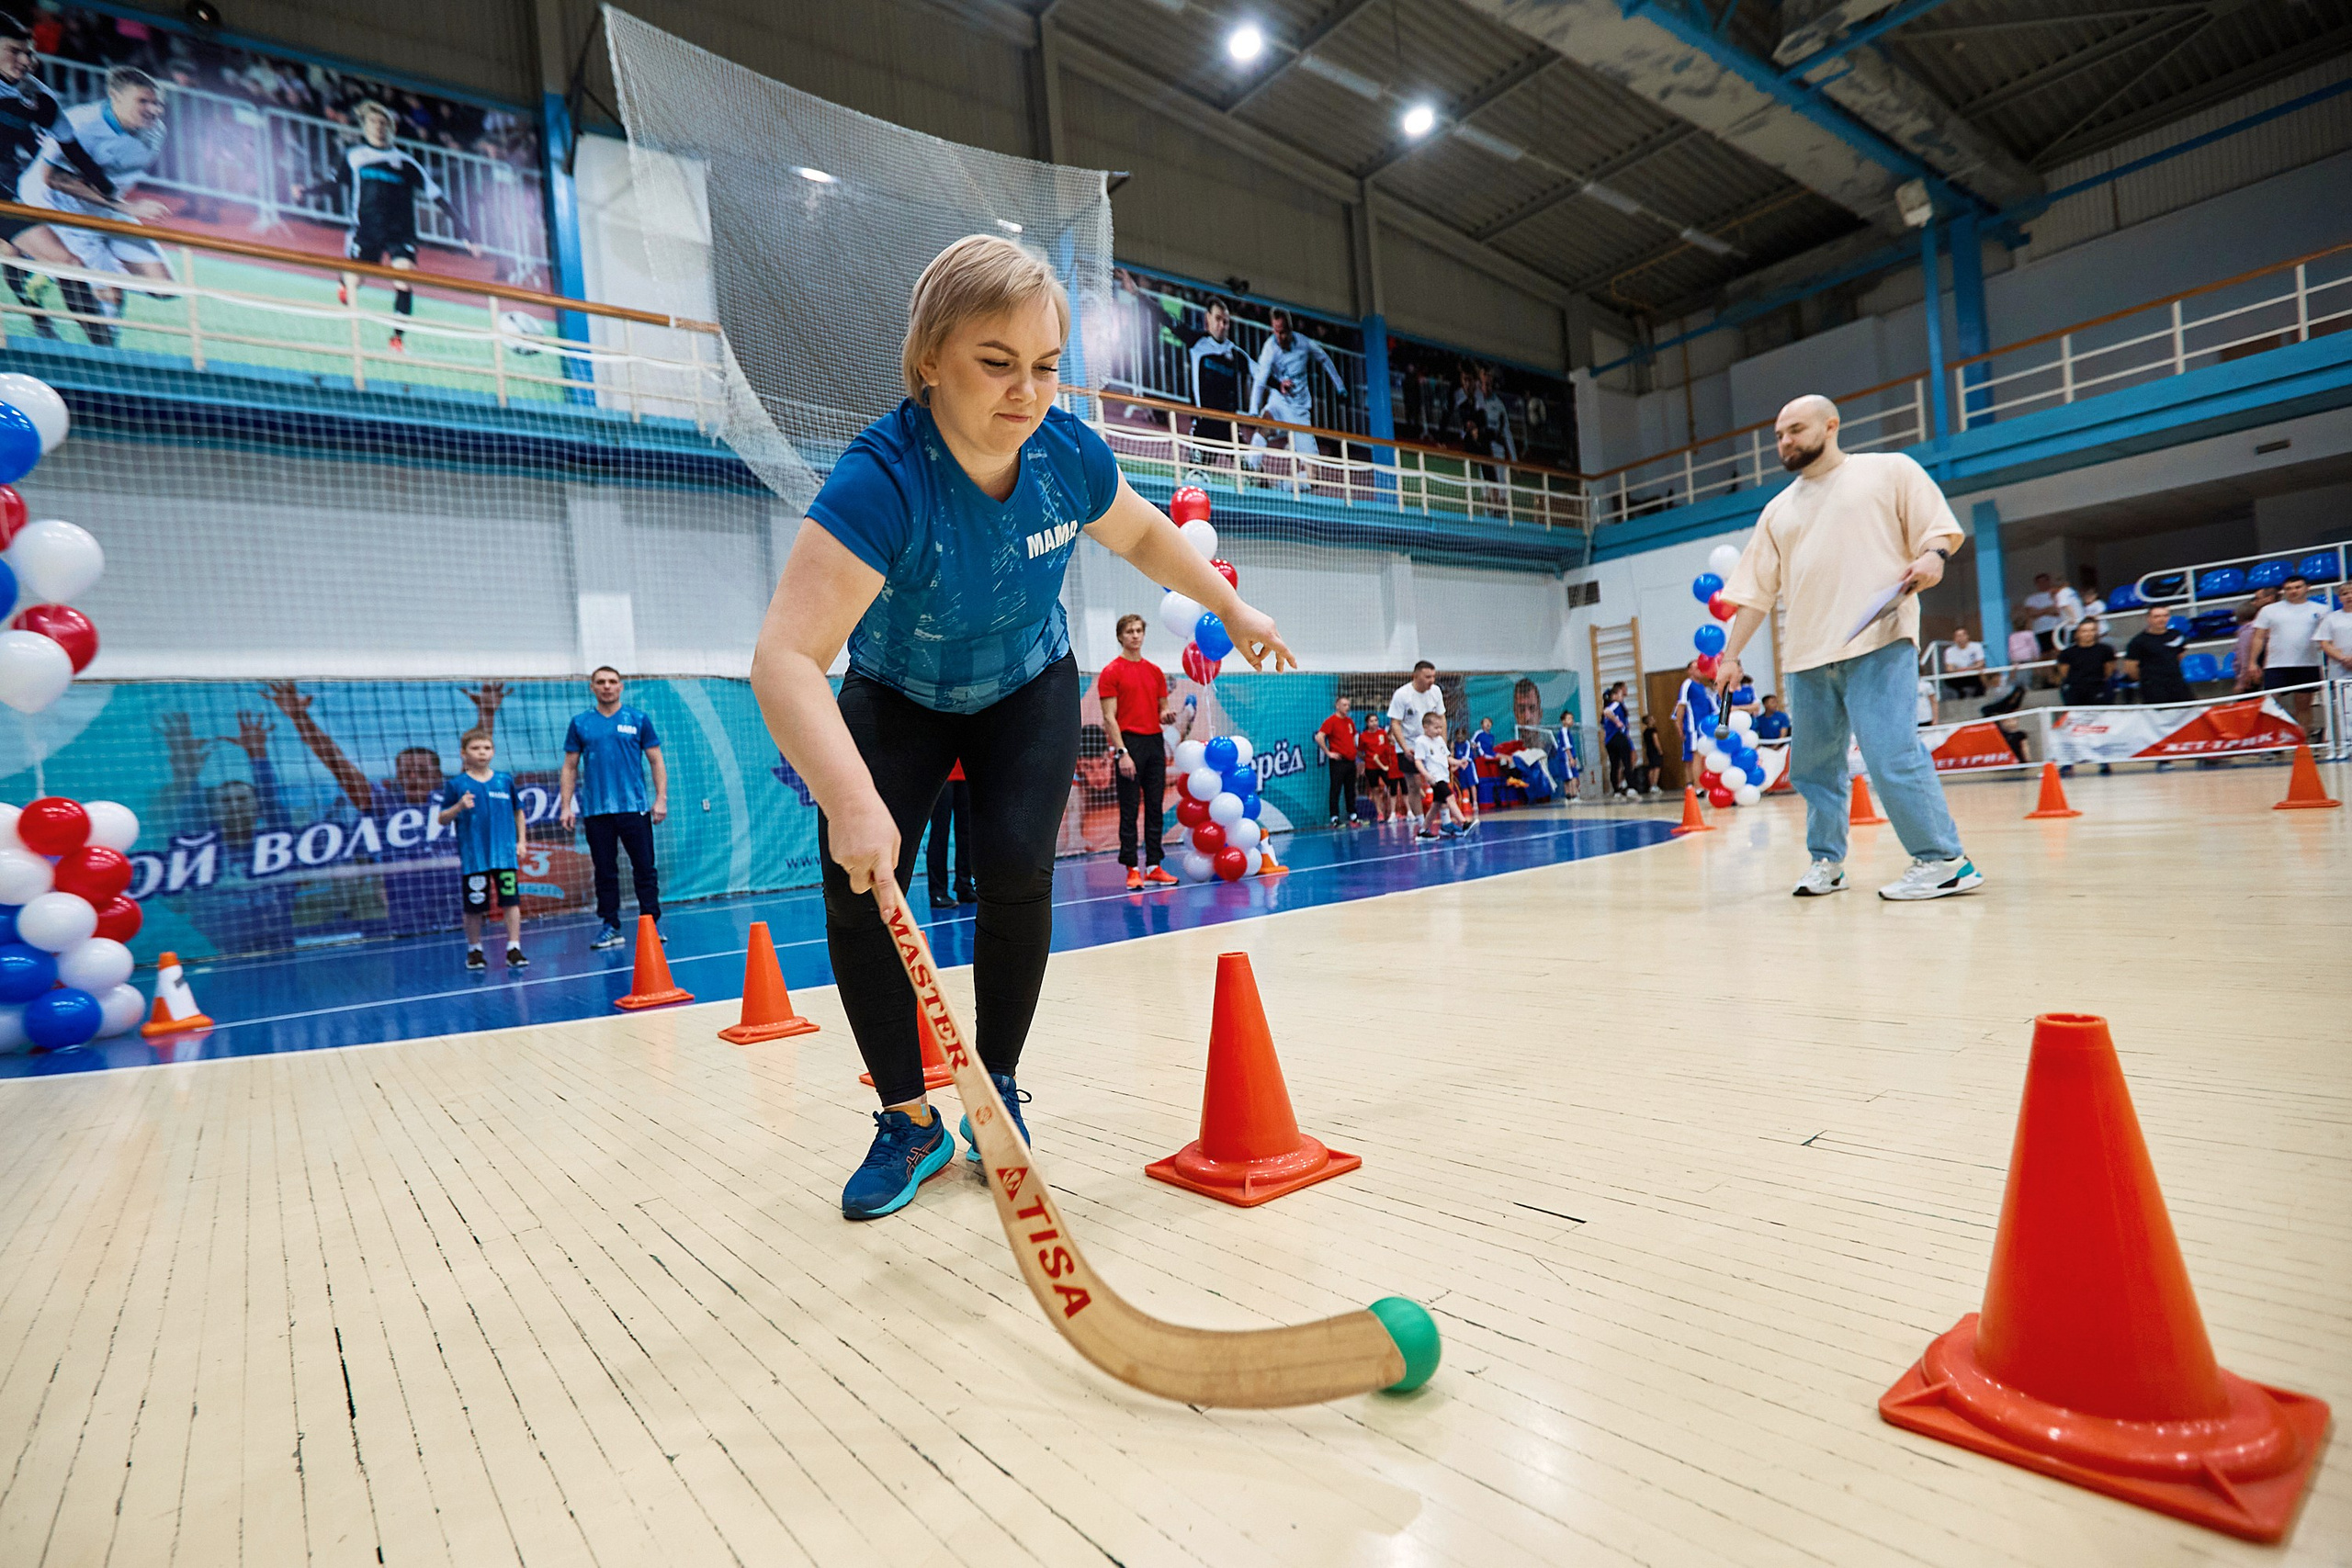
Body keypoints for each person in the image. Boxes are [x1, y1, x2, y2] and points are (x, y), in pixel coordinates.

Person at [746, 234, 1293, 1222]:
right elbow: (783, 659)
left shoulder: (1064, 454)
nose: (1027, 391)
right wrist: (851, 800)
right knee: (857, 890)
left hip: (1025, 686)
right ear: (929, 361)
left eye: (1045, 366)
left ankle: (994, 1088)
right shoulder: (882, 479)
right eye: (996, 362)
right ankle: (908, 1121)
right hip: (898, 692)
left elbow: (1143, 532)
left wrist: (1234, 607)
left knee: (1015, 872)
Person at [1715, 394, 1982, 901]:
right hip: (1807, 657)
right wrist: (1730, 656)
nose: (1785, 442)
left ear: (1831, 425)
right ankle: (1826, 863)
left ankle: (1943, 861)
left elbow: (1937, 530)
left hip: (1878, 642)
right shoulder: (1777, 510)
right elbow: (1754, 592)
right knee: (1814, 770)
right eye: (1779, 435)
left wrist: (1933, 556)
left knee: (1891, 755)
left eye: (1795, 430)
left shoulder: (1889, 471)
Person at [11, 66, 174, 347]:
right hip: (59, 207)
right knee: (110, 295)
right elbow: (53, 178)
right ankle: (107, 354)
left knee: (164, 288)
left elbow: (117, 174)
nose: (154, 110)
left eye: (157, 103)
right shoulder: (81, 124)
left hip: (108, 208)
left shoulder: (156, 131)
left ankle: (47, 271)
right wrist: (123, 206)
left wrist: (118, 206)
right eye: (143, 101)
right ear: (114, 96)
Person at [299, 98, 477, 351]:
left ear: (391, 128)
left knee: (403, 280)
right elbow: (334, 184)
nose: (378, 127)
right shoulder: (355, 156)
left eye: (383, 122)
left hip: (400, 234)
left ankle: (397, 338)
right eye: (373, 122)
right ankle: (345, 281)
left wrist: (466, 233)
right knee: (356, 282)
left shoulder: (407, 163)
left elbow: (438, 197)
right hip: (367, 231)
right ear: (365, 126)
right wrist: (305, 191)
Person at [0, 17, 122, 333]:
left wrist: (109, 192)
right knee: (18, 254)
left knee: (57, 262)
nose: (26, 61)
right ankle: (43, 320)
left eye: (29, 53)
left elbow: (72, 148)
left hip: (5, 194)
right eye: (15, 51)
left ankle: (97, 344)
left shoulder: (37, 97)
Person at [560, 666, 668, 951]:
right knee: (605, 871)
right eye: (601, 682)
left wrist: (661, 799)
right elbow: (570, 767)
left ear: (621, 686)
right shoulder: (581, 723)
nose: (607, 686)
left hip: (634, 808)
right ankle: (610, 926)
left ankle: (650, 925)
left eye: (612, 681)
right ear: (592, 687)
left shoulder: (638, 719)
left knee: (644, 869)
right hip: (597, 812)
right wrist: (566, 806)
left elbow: (656, 760)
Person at [1094, 613, 1177, 890]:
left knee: (1155, 807)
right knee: (1129, 810)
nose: (1135, 636)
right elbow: (1109, 717)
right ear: (1120, 636)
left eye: (1139, 630)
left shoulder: (1155, 672)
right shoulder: (1111, 672)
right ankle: (1132, 869)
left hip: (1155, 743)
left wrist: (1166, 715)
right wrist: (1122, 753)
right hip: (1129, 743)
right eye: (1130, 631)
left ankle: (1154, 866)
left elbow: (1162, 708)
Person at [436, 728, 527, 971]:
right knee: (474, 906)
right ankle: (474, 950)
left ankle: (514, 948)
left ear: (493, 751)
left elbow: (518, 812)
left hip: (504, 855)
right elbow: (442, 819)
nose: (482, 753)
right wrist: (459, 806)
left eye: (486, 748)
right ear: (463, 753)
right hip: (475, 857)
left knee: (511, 902)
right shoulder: (457, 785)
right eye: (475, 748)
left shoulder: (504, 780)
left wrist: (521, 842)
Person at [1246, 308, 1345, 462]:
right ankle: (1250, 468)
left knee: (1312, 468)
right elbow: (1260, 380)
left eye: (1283, 332)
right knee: (1262, 428)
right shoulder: (1269, 348)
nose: (1280, 337)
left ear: (1290, 329)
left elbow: (1324, 358)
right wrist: (1253, 410)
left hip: (1299, 409)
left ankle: (1293, 479)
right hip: (1279, 403)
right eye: (1276, 331)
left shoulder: (1304, 343)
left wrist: (1340, 386)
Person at [2251, 575, 2329, 735]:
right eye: (2289, 588)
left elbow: (2327, 638)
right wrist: (2252, 662)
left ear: (2307, 587)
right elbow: (2258, 637)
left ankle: (2304, 741)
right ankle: (2271, 742)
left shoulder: (2321, 610)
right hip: (2276, 664)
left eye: (2297, 587)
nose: (2293, 591)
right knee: (2269, 705)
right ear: (2283, 590)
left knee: (2304, 706)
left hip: (2307, 663)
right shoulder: (2269, 610)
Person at [1184, 298, 1250, 464]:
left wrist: (1280, 384)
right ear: (1208, 318)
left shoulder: (1235, 353)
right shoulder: (1196, 342)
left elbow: (1260, 372)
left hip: (1228, 426)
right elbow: (1165, 319)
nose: (1222, 325)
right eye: (1218, 319)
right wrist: (1138, 294)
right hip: (1204, 424)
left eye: (1226, 322)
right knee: (1198, 473)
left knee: (1252, 470)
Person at [1388, 660, 1444, 804]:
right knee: (1414, 786)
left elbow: (1441, 717)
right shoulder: (1402, 694)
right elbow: (1395, 723)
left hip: (1431, 745)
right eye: (1427, 677)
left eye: (1433, 676)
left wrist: (1442, 744)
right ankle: (1419, 818)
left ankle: (1445, 817)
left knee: (1440, 783)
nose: (1431, 680)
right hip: (1410, 745)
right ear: (1415, 676)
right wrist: (1405, 748)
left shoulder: (1436, 691)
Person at [924, 762, 974, 909]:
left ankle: (964, 886)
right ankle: (938, 892)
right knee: (940, 832)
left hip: (965, 773)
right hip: (942, 773)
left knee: (966, 833)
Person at [2123, 604, 2193, 705]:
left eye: (2165, 616)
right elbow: (2131, 669)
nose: (2162, 619)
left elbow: (2179, 656)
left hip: (2177, 683)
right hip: (2153, 688)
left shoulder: (2176, 635)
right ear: (2148, 619)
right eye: (2157, 616)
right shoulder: (2138, 642)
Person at [1412, 711, 1467, 840]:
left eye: (1440, 728)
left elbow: (1446, 757)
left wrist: (1459, 762)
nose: (1439, 731)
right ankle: (1464, 822)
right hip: (1435, 778)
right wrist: (1426, 775)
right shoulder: (1421, 741)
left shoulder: (1440, 741)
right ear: (1426, 727)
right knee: (1450, 798)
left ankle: (1423, 831)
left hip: (1444, 776)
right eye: (1436, 728)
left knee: (1436, 806)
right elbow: (1418, 761)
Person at [1315, 693, 1359, 826]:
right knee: (1336, 788)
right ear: (1337, 706)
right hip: (1339, 761)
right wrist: (1328, 752)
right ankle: (1334, 817)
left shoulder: (1350, 722)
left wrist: (1355, 753)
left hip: (1351, 760)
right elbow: (1319, 737)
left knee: (1350, 789)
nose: (1347, 707)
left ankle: (1353, 815)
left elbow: (1353, 738)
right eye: (1344, 705)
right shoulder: (1331, 721)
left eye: (1348, 705)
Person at [2054, 620, 2115, 707]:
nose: (2088, 634)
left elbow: (2108, 670)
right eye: (2084, 631)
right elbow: (2064, 672)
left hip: (2098, 688)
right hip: (2075, 690)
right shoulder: (2067, 653)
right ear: (2077, 633)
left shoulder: (2106, 650)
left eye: (2092, 630)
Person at [1670, 659, 1717, 767]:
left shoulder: (1703, 688)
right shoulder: (1688, 684)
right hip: (1693, 728)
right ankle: (1695, 778)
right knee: (1695, 755)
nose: (1699, 671)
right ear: (1689, 671)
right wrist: (1680, 728)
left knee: (1703, 755)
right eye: (1696, 668)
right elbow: (1681, 706)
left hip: (1704, 727)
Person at [1358, 709, 1398, 822]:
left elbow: (1388, 747)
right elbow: (1359, 751)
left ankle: (1392, 811)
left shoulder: (1382, 733)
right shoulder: (1363, 736)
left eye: (1376, 720)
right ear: (1367, 723)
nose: (1374, 723)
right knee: (1375, 789)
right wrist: (1366, 759)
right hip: (1371, 767)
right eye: (1371, 721)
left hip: (1384, 766)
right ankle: (1380, 813)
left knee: (1392, 786)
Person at [1601, 682, 1635, 797]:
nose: (1622, 697)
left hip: (1609, 740)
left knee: (1615, 765)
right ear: (1614, 696)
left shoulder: (1614, 706)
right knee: (1627, 762)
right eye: (1620, 694)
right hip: (1617, 737)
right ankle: (1630, 787)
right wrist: (1617, 721)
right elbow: (1606, 712)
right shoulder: (1615, 704)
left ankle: (1616, 790)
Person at [1941, 627, 1986, 699]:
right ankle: (1961, 695)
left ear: (1967, 636)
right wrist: (1959, 670)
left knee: (1982, 673)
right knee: (1947, 679)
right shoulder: (1949, 651)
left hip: (1973, 673)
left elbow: (1981, 663)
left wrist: (1969, 669)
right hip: (1959, 675)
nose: (1960, 638)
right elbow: (1949, 668)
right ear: (1954, 639)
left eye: (1962, 635)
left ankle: (1980, 695)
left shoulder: (1976, 646)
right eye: (1958, 636)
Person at [2005, 614, 2042, 690]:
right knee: (2028, 675)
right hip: (2026, 657)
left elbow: (2010, 649)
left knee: (2019, 676)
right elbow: (2034, 646)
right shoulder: (2029, 634)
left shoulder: (2012, 636)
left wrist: (2012, 659)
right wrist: (2036, 656)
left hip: (2016, 658)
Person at [2024, 575, 2059, 652]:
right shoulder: (2031, 598)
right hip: (2040, 630)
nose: (2042, 584)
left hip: (2056, 628)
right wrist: (2048, 610)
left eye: (2044, 581)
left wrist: (2039, 611)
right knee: (2045, 653)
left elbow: (2056, 611)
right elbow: (2031, 613)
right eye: (2039, 582)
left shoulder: (2056, 595)